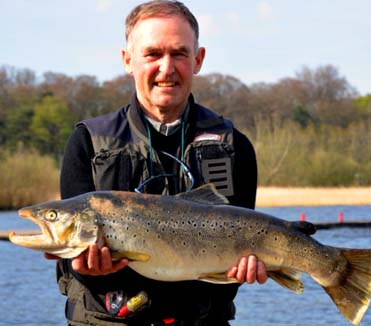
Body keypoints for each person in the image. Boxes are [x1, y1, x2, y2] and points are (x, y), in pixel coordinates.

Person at [49, 1, 267, 325]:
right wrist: (84, 267)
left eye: (179, 53)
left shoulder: (234, 147)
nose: (167, 68)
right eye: (152, 54)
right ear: (128, 60)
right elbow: (74, 264)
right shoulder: (88, 143)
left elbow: (229, 283)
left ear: (198, 60)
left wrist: (240, 273)